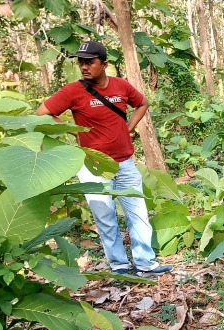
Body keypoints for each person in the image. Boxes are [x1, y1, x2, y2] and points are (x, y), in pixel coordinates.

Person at [36, 41, 172, 277]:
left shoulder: (121, 86)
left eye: (90, 62)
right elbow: (42, 113)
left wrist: (129, 127)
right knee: (106, 218)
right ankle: (119, 266)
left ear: (104, 64)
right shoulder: (73, 91)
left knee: (138, 213)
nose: (84, 67)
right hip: (93, 166)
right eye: (81, 62)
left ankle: (145, 263)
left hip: (125, 162)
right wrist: (74, 130)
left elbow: (142, 103)